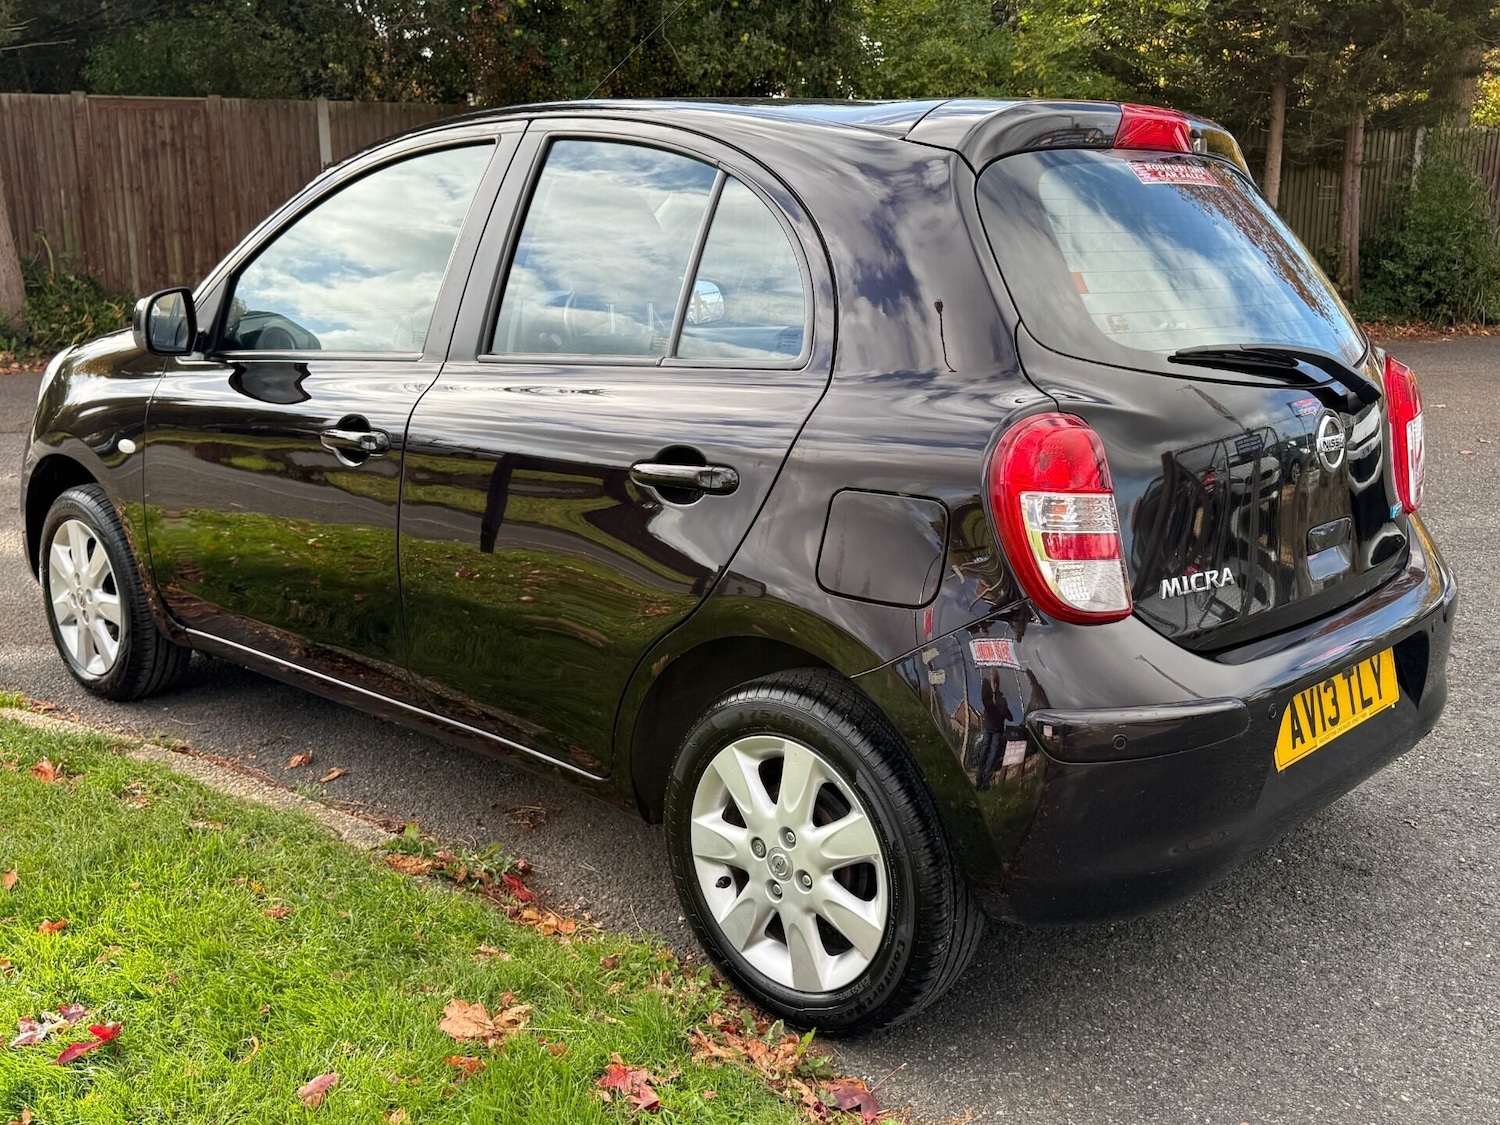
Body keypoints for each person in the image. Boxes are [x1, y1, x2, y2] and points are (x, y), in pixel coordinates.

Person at [976, 670, 1013, 791]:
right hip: (989, 726)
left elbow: (1008, 715)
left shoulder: (1001, 699)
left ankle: (985, 782)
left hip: (997, 729)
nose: (993, 683)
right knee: (985, 750)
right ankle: (979, 779)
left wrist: (1003, 709)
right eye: (991, 679)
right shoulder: (986, 692)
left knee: (992, 753)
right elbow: (986, 702)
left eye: (994, 681)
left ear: (997, 683)